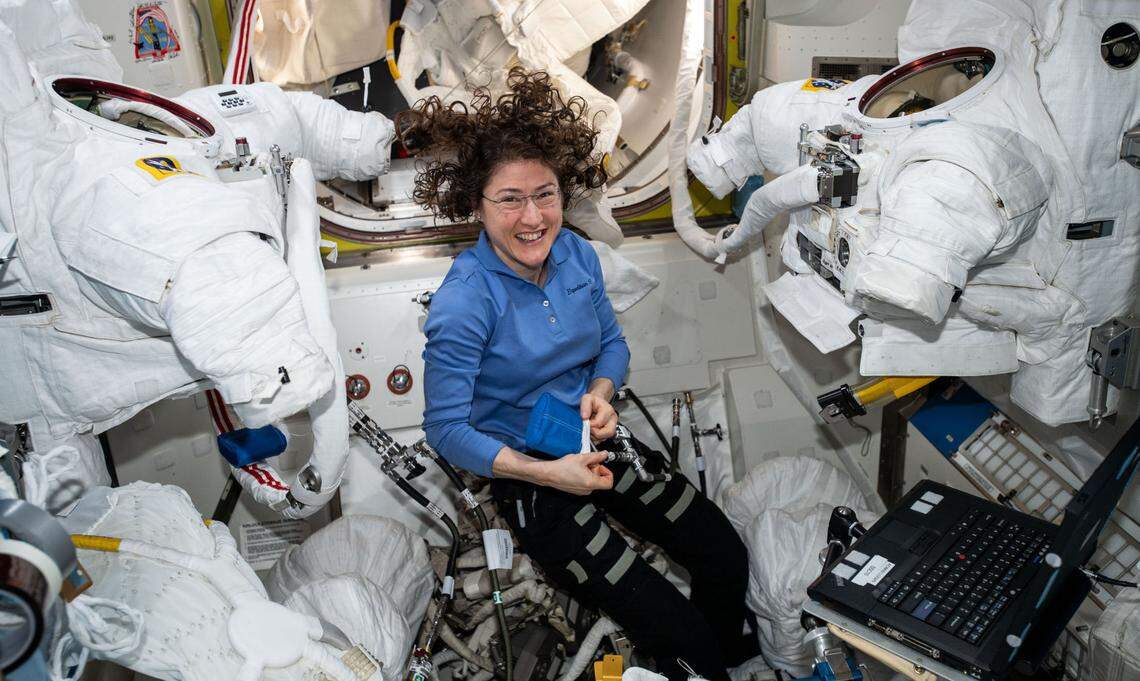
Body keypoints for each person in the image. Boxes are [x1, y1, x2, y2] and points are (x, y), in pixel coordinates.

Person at [412, 69, 750, 681]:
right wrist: (546, 473)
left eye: (545, 194)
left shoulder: (577, 254)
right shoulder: (464, 301)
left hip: (593, 440)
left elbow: (612, 347)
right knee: (677, 630)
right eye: (509, 199)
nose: (532, 216)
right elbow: (446, 429)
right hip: (532, 480)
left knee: (723, 555)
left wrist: (600, 394)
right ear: (475, 204)